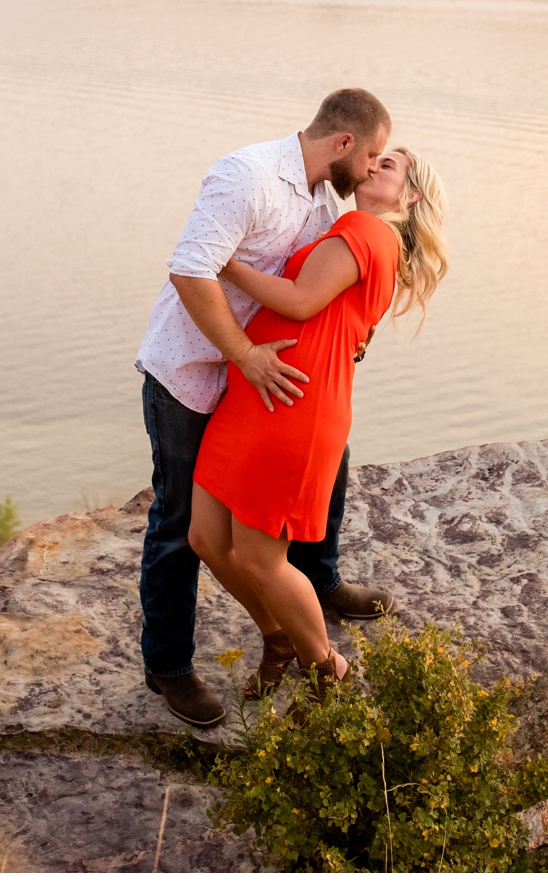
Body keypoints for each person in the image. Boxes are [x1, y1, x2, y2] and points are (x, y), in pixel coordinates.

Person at [134, 88, 399, 728]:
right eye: (370, 156)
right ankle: (168, 666)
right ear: (343, 145)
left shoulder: (321, 204)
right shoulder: (246, 175)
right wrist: (248, 355)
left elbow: (318, 294)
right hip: (196, 371)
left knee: (323, 469)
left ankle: (319, 586)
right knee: (180, 526)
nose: (368, 169)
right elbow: (191, 271)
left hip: (252, 382)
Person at [190, 145, 448, 696]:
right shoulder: (359, 231)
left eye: (390, 165)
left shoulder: (370, 231)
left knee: (262, 558)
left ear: (412, 194)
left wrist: (225, 260)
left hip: (294, 411)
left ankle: (326, 669)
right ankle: (278, 636)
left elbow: (302, 301)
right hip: (256, 401)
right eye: (375, 157)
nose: (374, 164)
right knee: (207, 537)